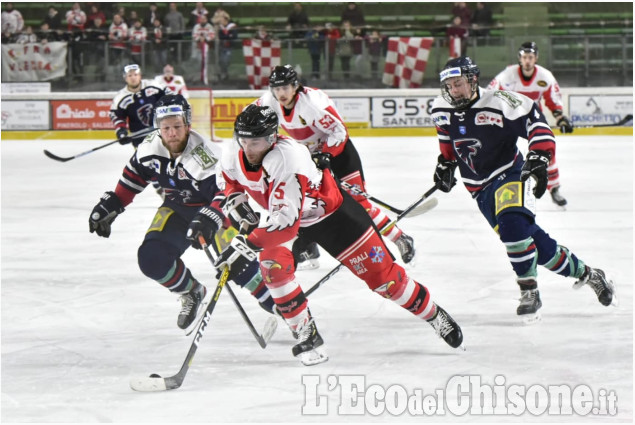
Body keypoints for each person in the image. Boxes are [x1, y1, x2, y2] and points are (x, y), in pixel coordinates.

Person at [189, 104, 464, 365]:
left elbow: (286, 225)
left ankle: (434, 315)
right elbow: (231, 185)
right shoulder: (231, 153)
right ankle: (306, 333)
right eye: (244, 140)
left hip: (333, 218)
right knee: (273, 266)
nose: (248, 148)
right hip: (289, 219)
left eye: (256, 142)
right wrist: (241, 214)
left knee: (386, 282)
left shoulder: (288, 159)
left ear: (272, 138)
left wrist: (245, 245)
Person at [431, 56, 616, 324]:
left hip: (510, 173)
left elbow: (537, 123)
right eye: (449, 85)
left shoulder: (500, 102)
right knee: (537, 248)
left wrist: (539, 156)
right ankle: (589, 275)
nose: (453, 90)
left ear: (472, 79)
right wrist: (445, 164)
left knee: (512, 229)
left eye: (458, 83)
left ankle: (529, 292)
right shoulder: (440, 108)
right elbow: (447, 141)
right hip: (479, 188)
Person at [90, 95, 274, 334]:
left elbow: (227, 192)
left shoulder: (205, 155)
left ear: (187, 124)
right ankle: (191, 291)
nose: (172, 133)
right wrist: (113, 203)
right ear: (158, 127)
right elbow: (133, 177)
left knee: (240, 269)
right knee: (151, 258)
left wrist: (210, 218)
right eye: (166, 127)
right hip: (177, 209)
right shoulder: (149, 148)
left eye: (177, 126)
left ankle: (283, 307)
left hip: (220, 213)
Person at [255, 65, 417, 268]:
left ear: (295, 86)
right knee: (305, 203)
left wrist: (327, 154)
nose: (281, 93)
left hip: (340, 154)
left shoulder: (312, 103)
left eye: (285, 88)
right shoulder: (268, 102)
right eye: (277, 89)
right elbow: (250, 117)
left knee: (359, 204)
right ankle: (308, 249)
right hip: (312, 160)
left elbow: (340, 132)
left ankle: (400, 238)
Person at [488, 42, 574, 207]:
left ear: (536, 58)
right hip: (509, 119)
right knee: (498, 151)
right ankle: (494, 187)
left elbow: (553, 101)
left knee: (546, 150)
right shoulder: (506, 76)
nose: (527, 60)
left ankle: (554, 188)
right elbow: (490, 95)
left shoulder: (545, 77)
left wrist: (560, 118)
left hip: (533, 119)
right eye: (524, 57)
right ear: (520, 58)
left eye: (531, 57)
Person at [109, 64, 171, 148]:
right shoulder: (120, 97)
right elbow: (117, 116)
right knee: (146, 160)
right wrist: (121, 132)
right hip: (140, 139)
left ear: (140, 76)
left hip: (162, 133)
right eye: (129, 75)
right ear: (125, 78)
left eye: (135, 74)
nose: (133, 77)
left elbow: (169, 97)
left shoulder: (153, 85)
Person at [192, 14, 215, 85]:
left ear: (206, 20)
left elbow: (212, 35)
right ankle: (198, 78)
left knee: (206, 63)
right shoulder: (196, 26)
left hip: (207, 48)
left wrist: (205, 38)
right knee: (198, 63)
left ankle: (206, 79)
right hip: (198, 47)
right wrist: (199, 38)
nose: (202, 20)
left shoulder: (209, 26)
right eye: (201, 19)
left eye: (204, 19)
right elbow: (194, 35)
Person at [217, 14, 237, 81]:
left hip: (229, 47)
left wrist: (228, 36)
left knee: (226, 60)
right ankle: (224, 73)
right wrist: (228, 36)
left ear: (226, 20)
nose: (221, 21)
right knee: (221, 61)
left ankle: (226, 73)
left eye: (222, 20)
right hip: (222, 46)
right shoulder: (221, 28)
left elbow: (234, 36)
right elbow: (220, 37)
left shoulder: (232, 27)